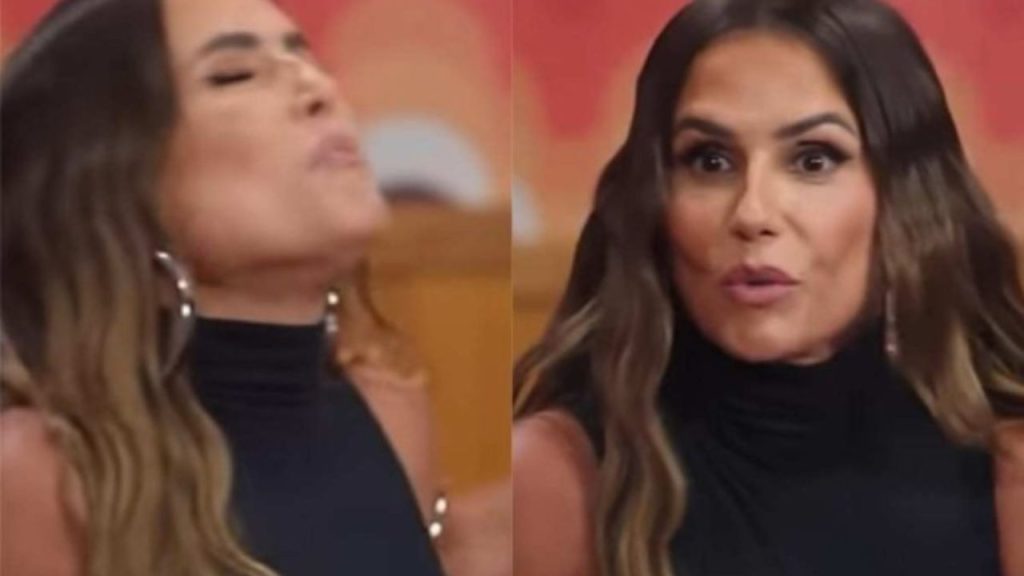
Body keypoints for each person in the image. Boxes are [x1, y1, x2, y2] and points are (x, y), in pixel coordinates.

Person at [513, 0, 1024, 575]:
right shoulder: (561, 475)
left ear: (907, 196)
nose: (752, 213)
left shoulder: (1005, 470)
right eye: (709, 161)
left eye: (813, 160)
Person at [1, 0, 448, 574]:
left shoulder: (391, 411)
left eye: (305, 57)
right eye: (235, 75)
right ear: (115, 186)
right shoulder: (43, 474)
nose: (318, 88)